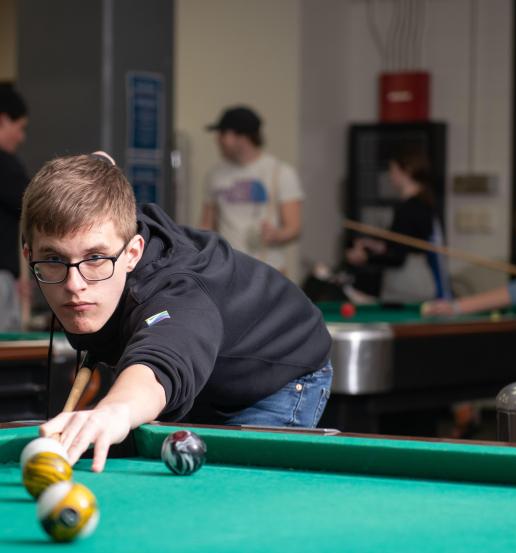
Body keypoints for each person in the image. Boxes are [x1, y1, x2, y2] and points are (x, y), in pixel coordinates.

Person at [22, 153, 332, 472]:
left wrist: (114, 410)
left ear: (132, 253)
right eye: (54, 259)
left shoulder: (176, 294)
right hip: (205, 380)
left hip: (275, 374)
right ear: (28, 253)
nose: (75, 285)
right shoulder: (108, 222)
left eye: (96, 258)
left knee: (236, 499)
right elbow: (103, 164)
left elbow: (160, 360)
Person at [200, 105, 303, 274]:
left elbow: (294, 227)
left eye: (223, 134)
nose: (218, 140)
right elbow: (206, 224)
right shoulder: (215, 175)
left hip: (269, 270)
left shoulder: (280, 173)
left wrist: (276, 235)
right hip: (227, 269)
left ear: (241, 137)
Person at [345, 150, 449, 303]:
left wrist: (365, 257)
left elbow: (398, 256)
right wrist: (376, 245)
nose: (390, 175)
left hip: (408, 283)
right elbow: (403, 245)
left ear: (407, 171)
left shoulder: (410, 208)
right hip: (420, 278)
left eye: (393, 170)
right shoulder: (424, 202)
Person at [0, 83, 29, 331]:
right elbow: (36, 206)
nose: (21, 137)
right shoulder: (6, 166)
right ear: (3, 119)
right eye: (19, 128)